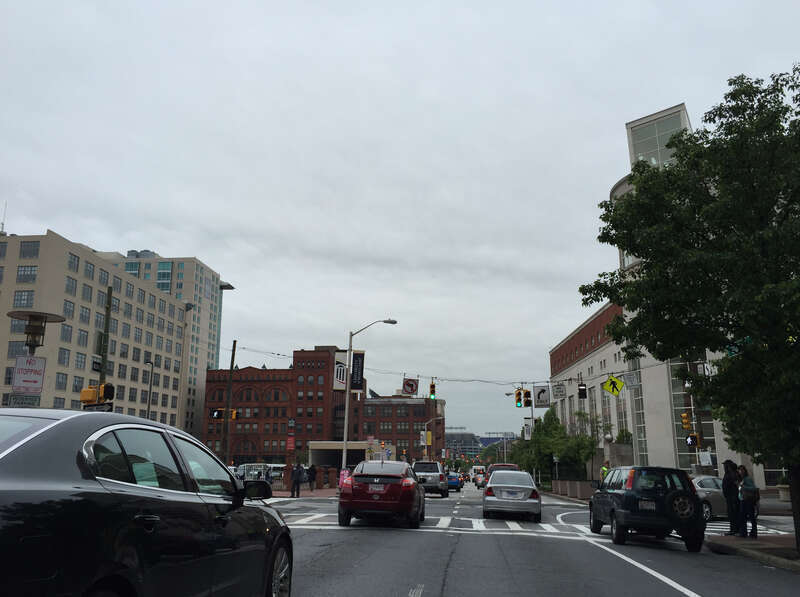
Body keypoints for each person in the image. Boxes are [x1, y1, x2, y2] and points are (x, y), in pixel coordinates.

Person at [737, 465, 758, 538]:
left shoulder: (747, 479)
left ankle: (753, 532)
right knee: (743, 517)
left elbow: (753, 488)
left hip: (748, 500)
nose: (740, 472)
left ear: (744, 471)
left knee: (750, 516)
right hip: (743, 499)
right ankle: (744, 532)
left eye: (742, 470)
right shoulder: (742, 480)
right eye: (739, 470)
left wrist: (743, 487)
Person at [722, 460, 740, 535]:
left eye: (725, 465)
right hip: (730, 497)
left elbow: (734, 486)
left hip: (733, 497)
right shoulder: (730, 474)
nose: (724, 467)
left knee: (733, 514)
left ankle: (735, 530)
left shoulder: (732, 474)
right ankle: (733, 529)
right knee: (731, 514)